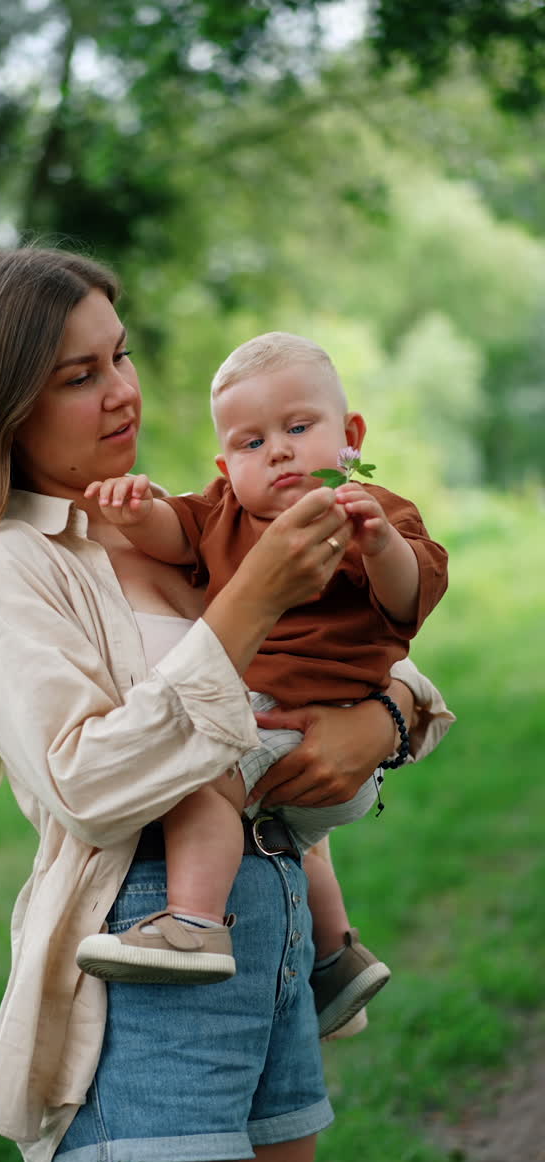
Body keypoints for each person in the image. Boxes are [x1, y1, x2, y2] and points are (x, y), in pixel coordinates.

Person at [0, 247, 453, 1162]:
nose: (123, 391)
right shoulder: (7, 567)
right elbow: (88, 784)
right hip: (147, 958)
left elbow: (357, 642)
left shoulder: (175, 524)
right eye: (79, 374)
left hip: (274, 940)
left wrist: (388, 712)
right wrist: (251, 601)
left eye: (121, 354)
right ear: (3, 406)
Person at [75, 332, 448, 1037]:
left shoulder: (369, 511)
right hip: (294, 736)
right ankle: (336, 959)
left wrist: (381, 548)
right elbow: (173, 532)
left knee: (203, 776)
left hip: (332, 727)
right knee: (294, 835)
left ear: (351, 436)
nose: (277, 450)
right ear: (225, 465)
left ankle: (192, 922)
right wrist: (135, 511)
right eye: (251, 444)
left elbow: (410, 605)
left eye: (299, 428)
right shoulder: (225, 513)